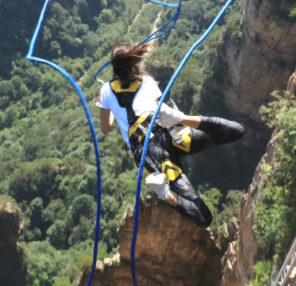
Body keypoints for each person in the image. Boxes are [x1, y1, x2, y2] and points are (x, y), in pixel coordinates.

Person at [96, 39, 245, 227]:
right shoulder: (147, 81)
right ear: (134, 63)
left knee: (204, 218)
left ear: (114, 67)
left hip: (150, 153)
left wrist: (110, 107)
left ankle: (166, 194)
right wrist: (179, 118)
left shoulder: (106, 90)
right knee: (236, 131)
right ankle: (182, 118)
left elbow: (105, 128)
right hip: (170, 133)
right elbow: (157, 110)